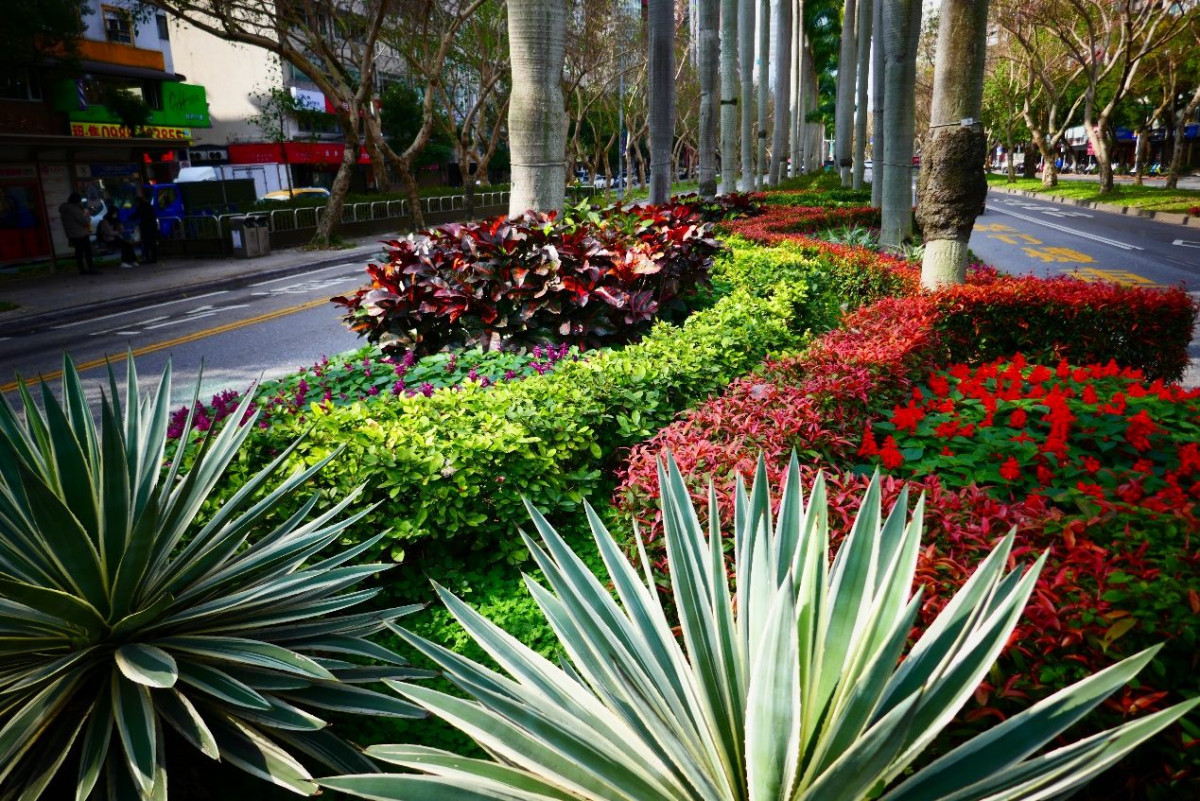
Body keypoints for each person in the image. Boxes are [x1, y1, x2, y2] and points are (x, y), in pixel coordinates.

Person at [58, 192, 98, 275]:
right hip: (80, 233)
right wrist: (88, 215)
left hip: (71, 233)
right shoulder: (74, 209)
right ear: (77, 201)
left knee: (78, 252)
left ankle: (82, 269)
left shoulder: (64, 209)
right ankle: (91, 268)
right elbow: (84, 221)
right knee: (87, 251)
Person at [136, 196, 159, 264]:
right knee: (153, 244)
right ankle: (153, 258)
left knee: (146, 244)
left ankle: (147, 258)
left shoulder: (141, 207)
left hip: (146, 228)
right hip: (152, 227)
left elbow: (137, 215)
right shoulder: (149, 206)